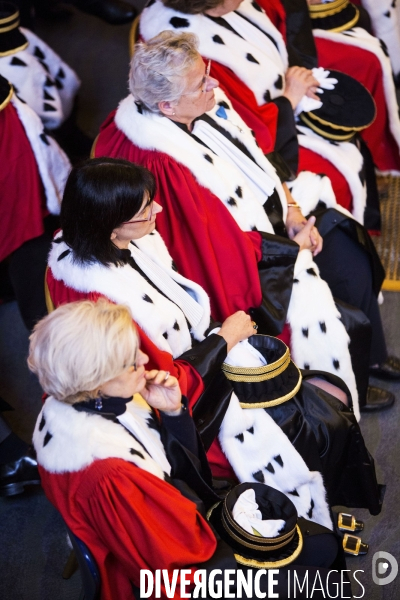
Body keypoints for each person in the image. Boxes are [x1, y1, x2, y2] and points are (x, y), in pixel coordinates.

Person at [46, 158, 383, 516]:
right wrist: (225, 339)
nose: (158, 208)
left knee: (321, 399)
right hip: (185, 410)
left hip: (203, 360)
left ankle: (321, 506)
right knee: (313, 423)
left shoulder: (99, 241)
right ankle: (305, 519)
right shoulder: (106, 303)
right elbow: (160, 382)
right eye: (146, 208)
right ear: (112, 227)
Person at [94, 31, 398, 410]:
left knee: (348, 243)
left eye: (206, 73)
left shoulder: (199, 104)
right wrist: (290, 248)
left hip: (273, 219)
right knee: (335, 308)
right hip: (250, 255)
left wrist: (291, 208)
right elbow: (208, 246)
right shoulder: (161, 163)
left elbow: (257, 154)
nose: (215, 83)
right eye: (202, 82)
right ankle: (342, 388)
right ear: (168, 106)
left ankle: (370, 359)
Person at [30, 299, 351, 600]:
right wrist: (241, 536)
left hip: (174, 536)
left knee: (317, 545)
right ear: (95, 379)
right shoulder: (109, 475)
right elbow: (174, 565)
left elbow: (171, 473)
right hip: (182, 573)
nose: (144, 361)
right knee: (322, 565)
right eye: (130, 362)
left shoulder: (76, 404)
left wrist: (173, 414)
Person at [141, 0, 400, 190]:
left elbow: (280, 21)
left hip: (282, 96)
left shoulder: (223, 6)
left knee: (367, 60)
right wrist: (289, 98)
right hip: (265, 135)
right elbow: (236, 126)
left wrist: (297, 71)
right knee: (338, 174)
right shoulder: (199, 57)